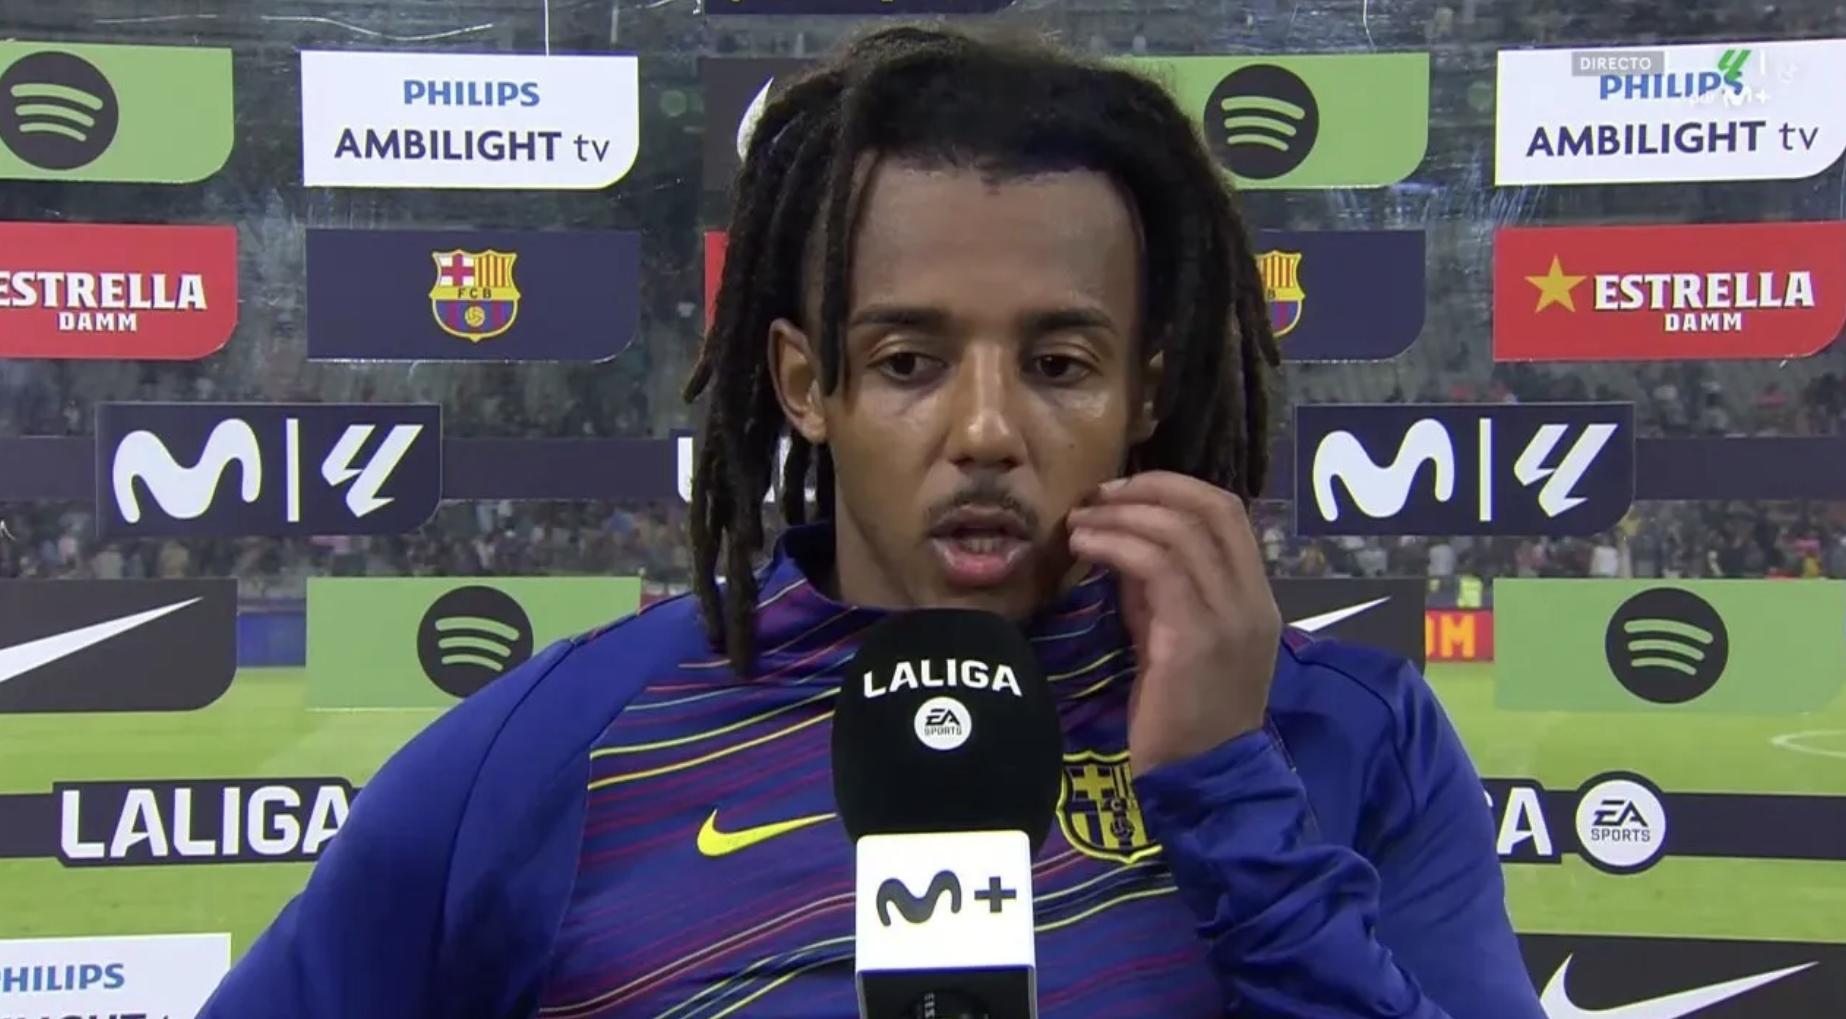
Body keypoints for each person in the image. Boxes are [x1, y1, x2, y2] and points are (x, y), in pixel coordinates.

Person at [201, 25, 1544, 1018]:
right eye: (909, 361)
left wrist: (1224, 787)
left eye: (1058, 363)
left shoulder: (1348, 736)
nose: (986, 428)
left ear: (1145, 389)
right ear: (806, 384)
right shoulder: (552, 753)